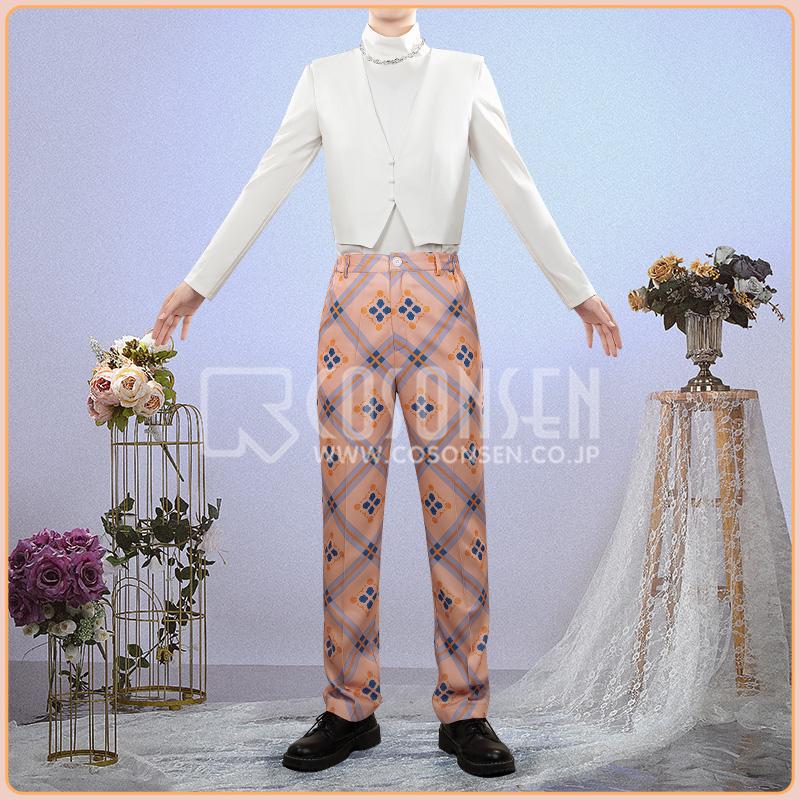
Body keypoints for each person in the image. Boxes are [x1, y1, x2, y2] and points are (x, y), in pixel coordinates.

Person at [152, 7, 622, 779]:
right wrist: (200, 282)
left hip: (442, 300)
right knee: (348, 505)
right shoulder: (323, 78)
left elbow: (514, 182)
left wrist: (577, 289)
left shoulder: (466, 74)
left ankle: (466, 710)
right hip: (352, 303)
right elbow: (268, 179)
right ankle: (348, 707)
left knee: (457, 503)